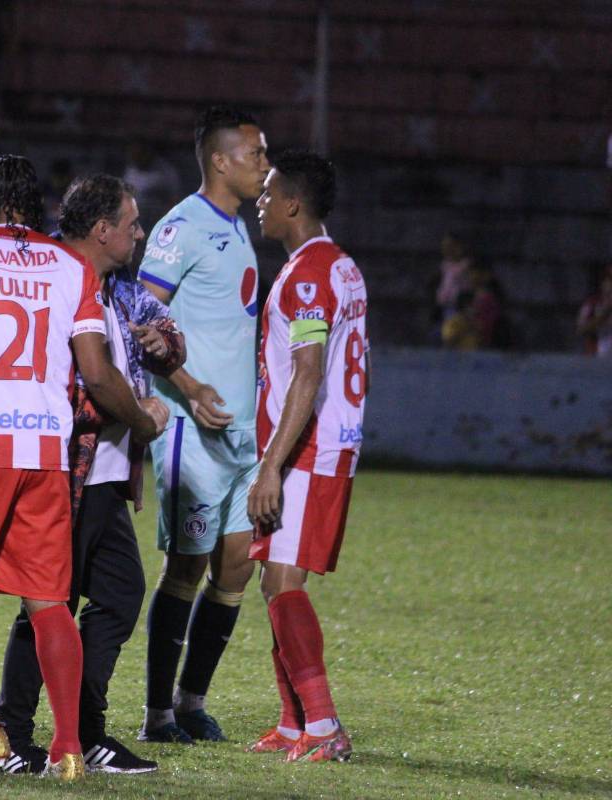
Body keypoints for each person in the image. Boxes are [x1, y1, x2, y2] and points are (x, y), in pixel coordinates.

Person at [0, 155, 165, 780]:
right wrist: (141, 418)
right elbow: (94, 370)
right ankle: (67, 751)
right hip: (47, 451)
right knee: (47, 601)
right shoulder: (70, 266)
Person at [0, 174, 183, 775]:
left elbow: (168, 333)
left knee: (118, 595)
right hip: (60, 473)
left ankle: (84, 729)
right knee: (50, 602)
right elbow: (73, 385)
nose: (140, 234)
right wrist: (142, 415)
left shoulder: (117, 286)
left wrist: (162, 345)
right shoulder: (48, 276)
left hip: (103, 476)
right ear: (102, 230)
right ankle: (12, 734)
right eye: (132, 224)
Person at [136, 105, 270, 744]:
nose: (265, 166)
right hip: (192, 430)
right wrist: (188, 387)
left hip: (242, 434)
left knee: (236, 569)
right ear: (220, 160)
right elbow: (140, 321)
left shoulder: (239, 226)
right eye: (256, 154)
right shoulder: (181, 227)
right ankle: (157, 714)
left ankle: (192, 702)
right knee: (186, 568)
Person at [247, 149, 368, 762]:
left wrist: (271, 465)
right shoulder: (338, 264)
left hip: (309, 450)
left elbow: (308, 372)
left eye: (269, 192)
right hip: (319, 445)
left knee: (282, 581)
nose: (260, 201)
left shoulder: (308, 275)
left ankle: (322, 724)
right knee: (274, 581)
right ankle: (294, 722)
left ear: (293, 204)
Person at [576, 263, 612, 356]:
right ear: (603, 283)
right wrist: (604, 314)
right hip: (598, 356)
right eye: (610, 280)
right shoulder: (591, 304)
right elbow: (580, 329)